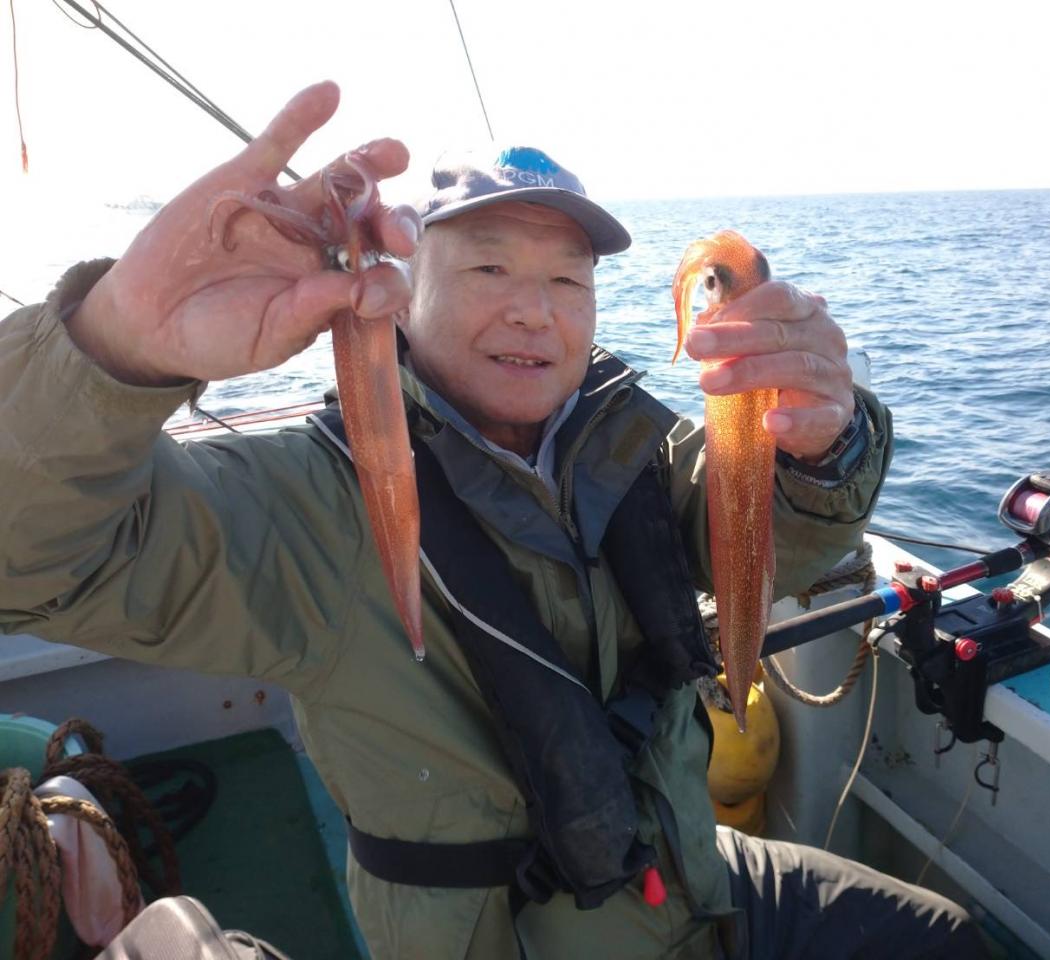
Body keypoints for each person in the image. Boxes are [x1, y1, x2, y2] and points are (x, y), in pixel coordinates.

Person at [0, 82, 985, 959]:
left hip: (700, 883)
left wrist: (826, 447)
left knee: (940, 937)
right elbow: (40, 559)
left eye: (566, 281)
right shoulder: (307, 502)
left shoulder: (634, 445)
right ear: (401, 295)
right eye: (486, 271)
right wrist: (112, 349)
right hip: (511, 937)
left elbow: (787, 545)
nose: (533, 312)